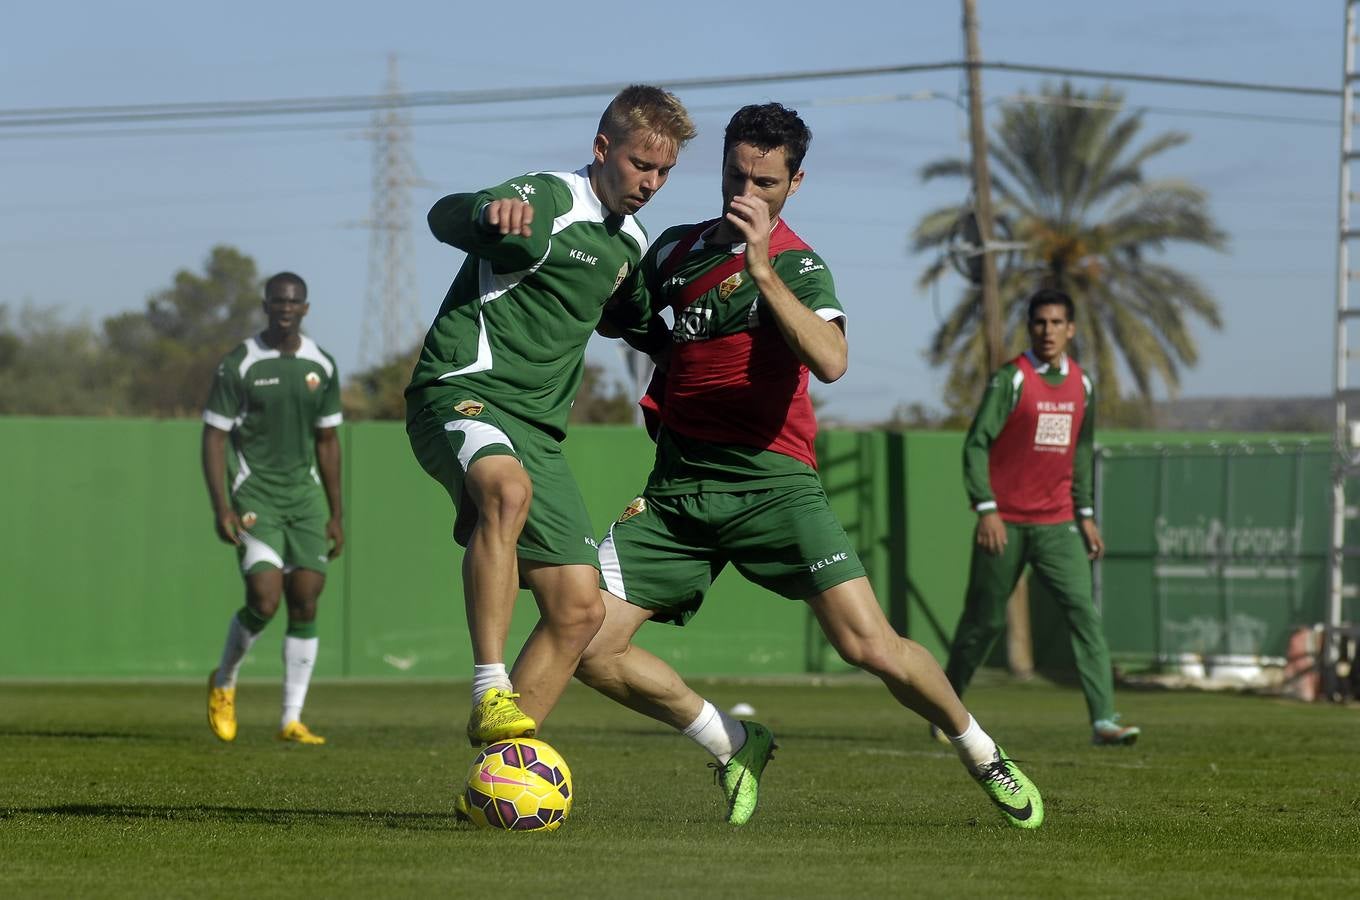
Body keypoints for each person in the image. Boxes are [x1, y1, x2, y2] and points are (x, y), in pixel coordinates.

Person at [573, 102, 1044, 830]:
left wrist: (760, 269)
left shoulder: (797, 263)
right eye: (736, 175)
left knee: (871, 646)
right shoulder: (673, 250)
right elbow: (628, 316)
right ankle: (733, 741)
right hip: (678, 493)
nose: (746, 193)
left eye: (765, 182)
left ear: (795, 184)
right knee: (588, 645)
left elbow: (831, 361)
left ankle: (982, 751)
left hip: (772, 486)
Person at [405, 85, 697, 750]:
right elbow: (446, 217)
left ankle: (500, 773)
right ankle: (489, 689)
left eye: (663, 172)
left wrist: (692, 348)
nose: (651, 182)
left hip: (535, 433)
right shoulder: (546, 202)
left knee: (579, 609)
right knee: (505, 491)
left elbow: (637, 319)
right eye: (639, 165)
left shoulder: (629, 245)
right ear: (602, 150)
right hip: (460, 393)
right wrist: (486, 210)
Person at [942, 288, 1140, 747]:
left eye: (1056, 323)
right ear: (1030, 327)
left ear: (1071, 329)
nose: (1048, 331)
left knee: (1084, 615)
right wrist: (986, 507)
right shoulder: (1011, 379)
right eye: (1040, 323)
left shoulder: (1083, 385)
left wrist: (1085, 513)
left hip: (1057, 524)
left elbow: (1082, 452)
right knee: (983, 623)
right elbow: (975, 445)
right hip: (1004, 523)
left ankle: (1104, 720)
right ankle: (945, 706)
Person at [202, 271, 343, 745]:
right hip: (254, 495)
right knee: (264, 597)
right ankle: (224, 681)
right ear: (265, 305)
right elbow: (214, 436)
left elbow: (327, 440)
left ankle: (290, 718)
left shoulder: (321, 364)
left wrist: (336, 512)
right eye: (277, 301)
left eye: (294, 301)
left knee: (305, 597)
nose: (285, 307)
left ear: (305, 308)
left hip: (303, 499)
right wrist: (221, 504)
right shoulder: (240, 363)